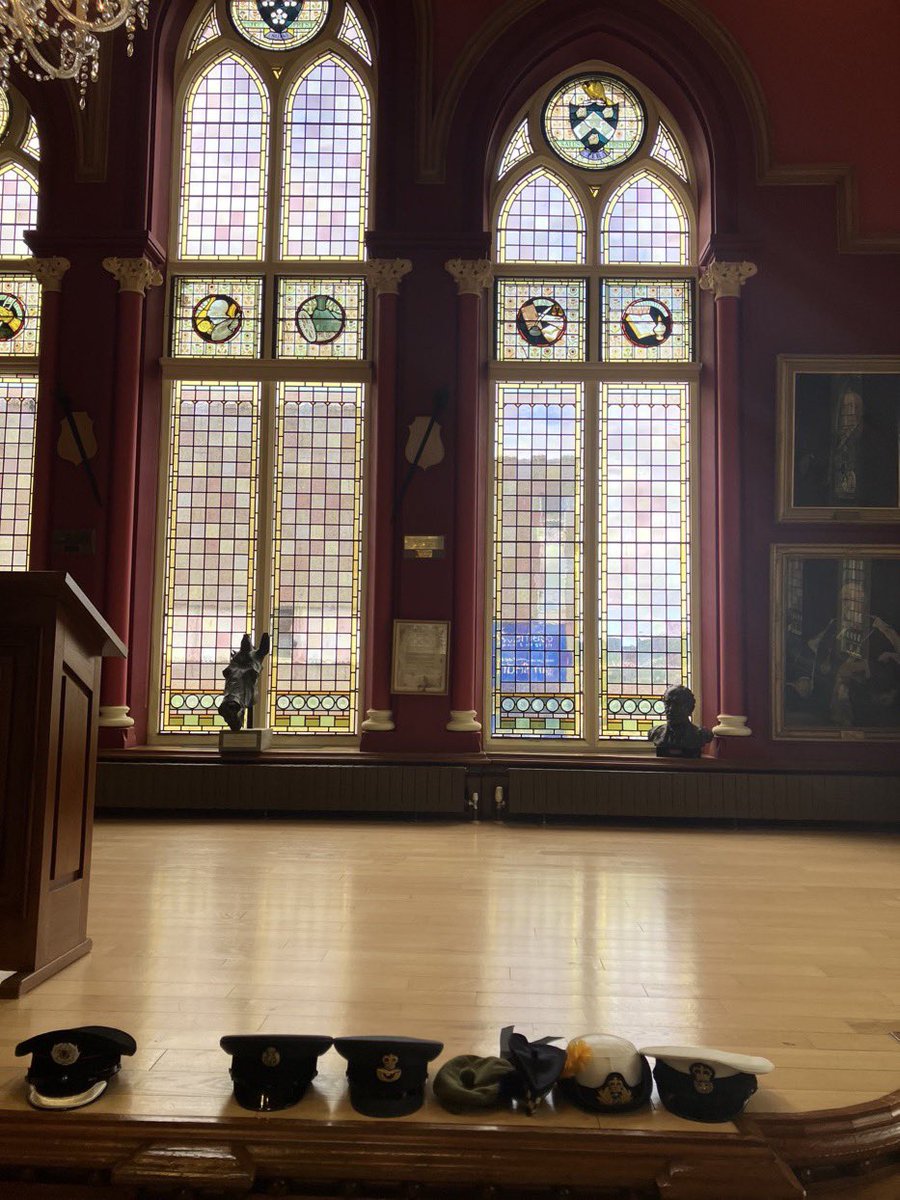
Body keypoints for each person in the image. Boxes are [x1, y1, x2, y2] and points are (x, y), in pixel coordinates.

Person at [218, 633, 271, 732]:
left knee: (245, 677)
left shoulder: (255, 658)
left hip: (246, 690)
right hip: (233, 689)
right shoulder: (236, 662)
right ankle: (233, 704)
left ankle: (237, 705)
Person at [647, 684, 712, 758]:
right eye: (667, 703)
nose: (671, 709)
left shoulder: (701, 734)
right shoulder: (656, 732)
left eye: (677, 704)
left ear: (690, 708)